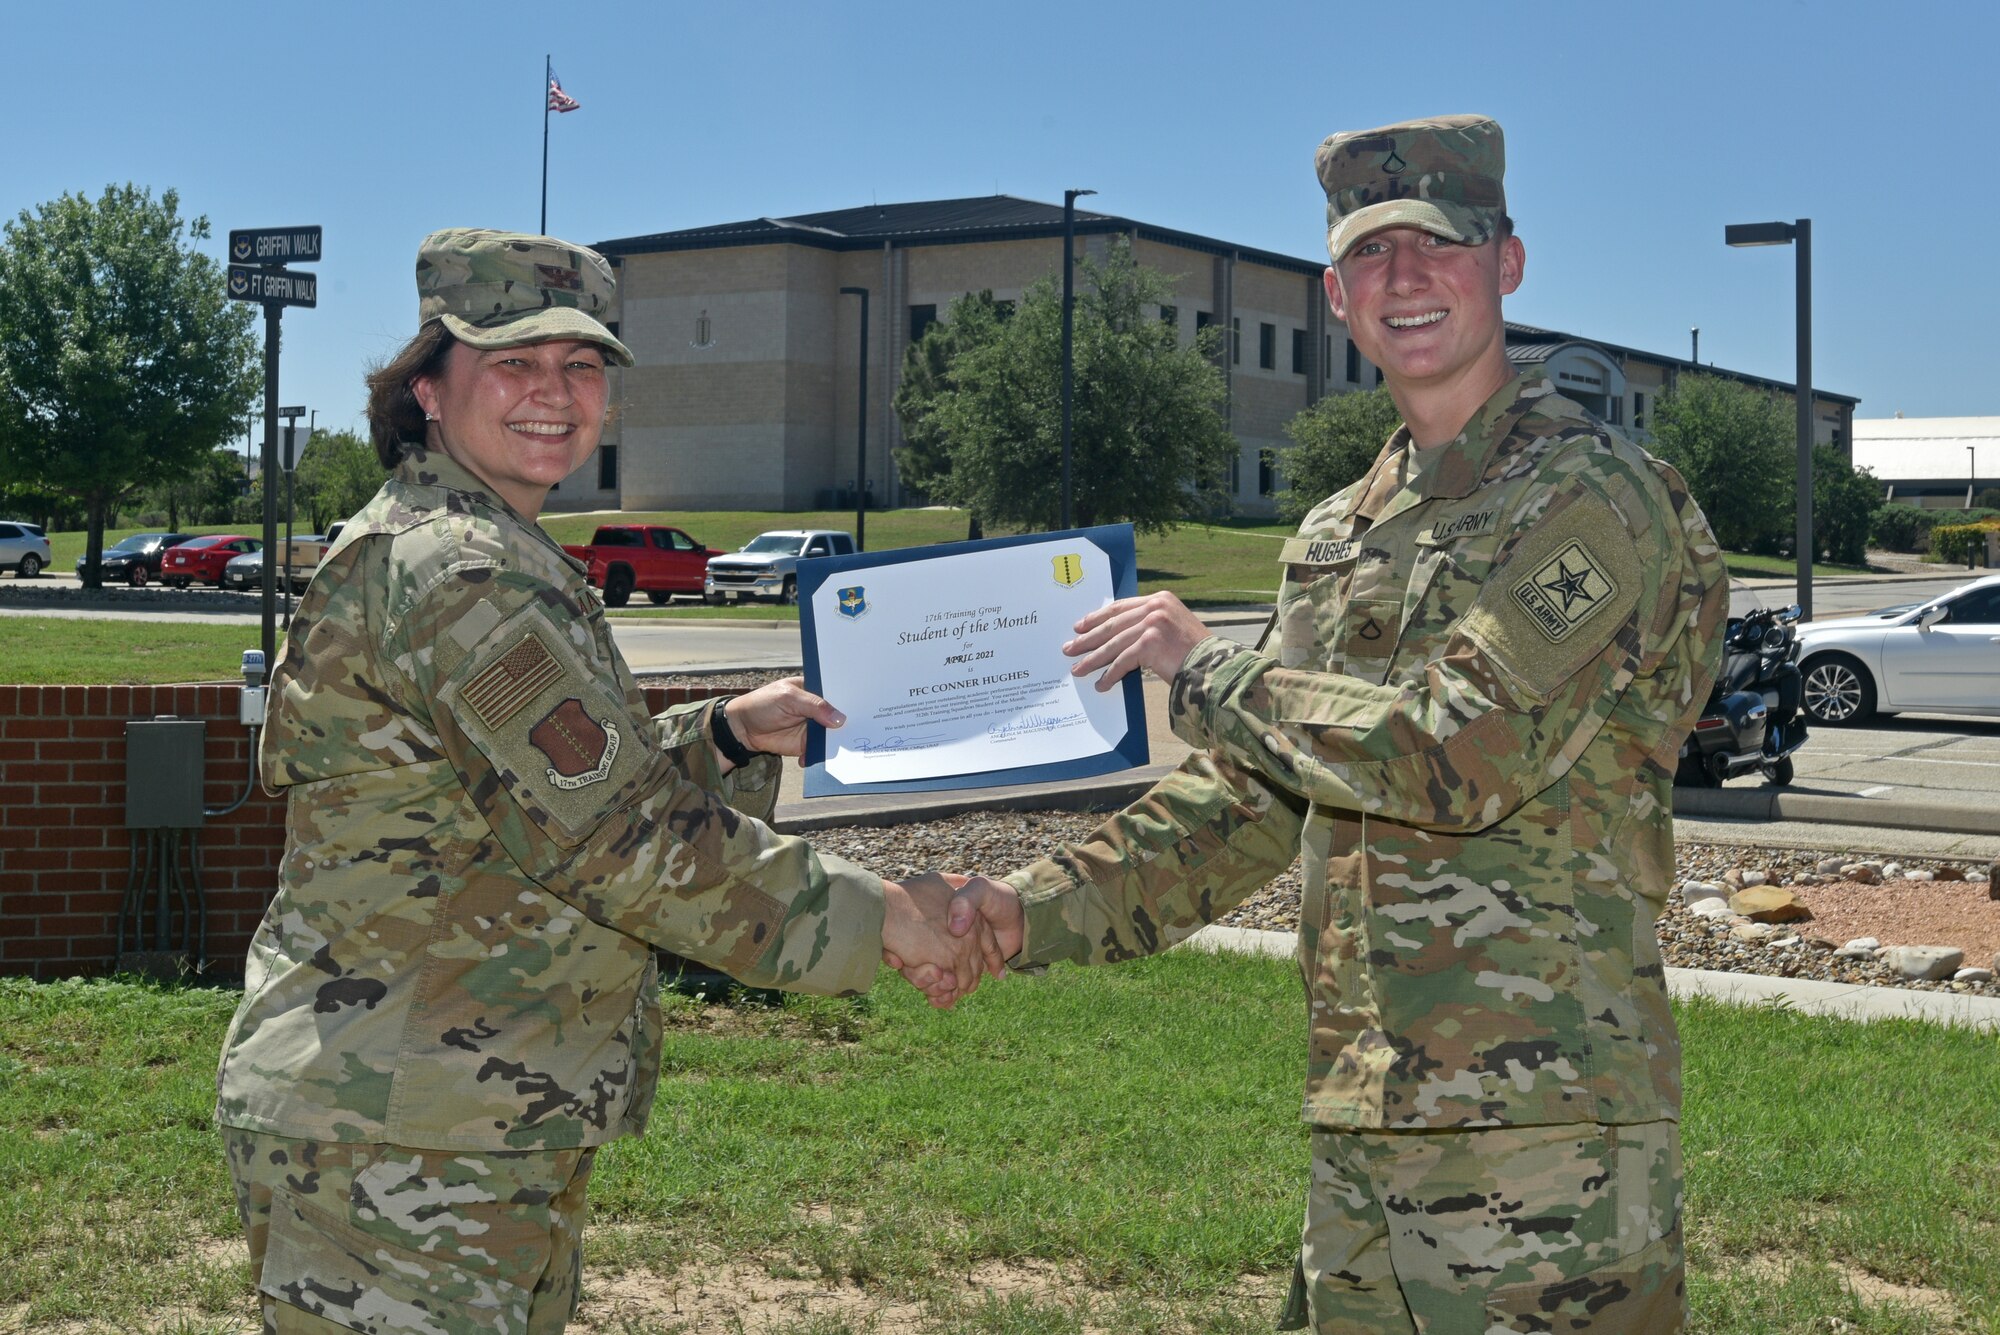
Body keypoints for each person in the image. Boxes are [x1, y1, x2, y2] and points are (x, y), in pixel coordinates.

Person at [937, 116, 1727, 1332]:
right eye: (1371, 256)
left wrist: (1207, 673)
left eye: (1440, 245)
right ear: (1334, 295)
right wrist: (1023, 908)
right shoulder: (1339, 531)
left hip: (1541, 1143)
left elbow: (1452, 755)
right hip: (1362, 1118)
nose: (1404, 279)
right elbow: (1253, 800)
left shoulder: (1593, 497)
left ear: (1504, 263)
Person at [215, 227, 999, 1333]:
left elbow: (531, 794)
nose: (554, 393)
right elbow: (617, 840)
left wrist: (722, 734)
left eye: (580, 366)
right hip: (400, 1128)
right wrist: (889, 921)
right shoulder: (457, 572)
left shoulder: (484, 545)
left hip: (464, 1107)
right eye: (513, 363)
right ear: (429, 387)